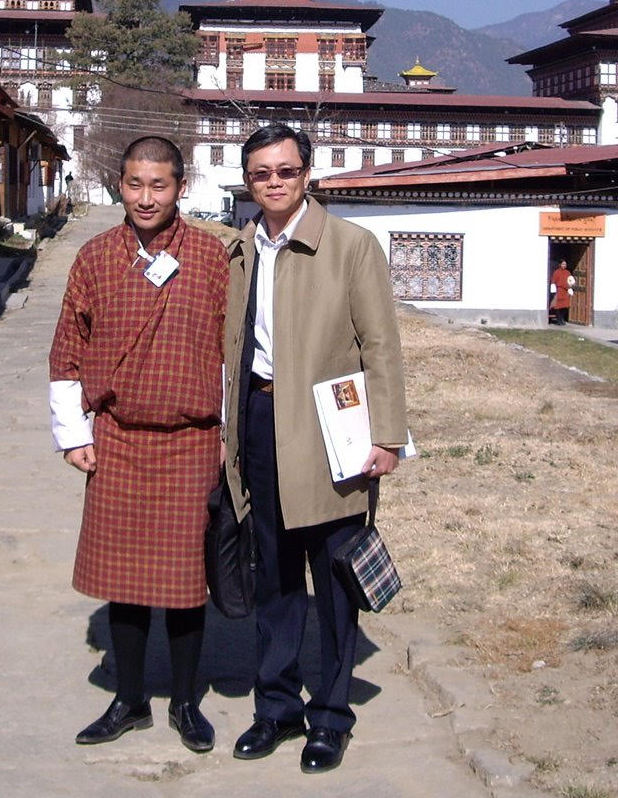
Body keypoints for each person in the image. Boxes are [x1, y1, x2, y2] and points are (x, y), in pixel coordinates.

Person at [221, 123, 409, 774]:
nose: (274, 183)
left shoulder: (351, 246)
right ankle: (275, 708)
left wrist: (387, 435)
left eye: (285, 171)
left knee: (334, 582)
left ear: (308, 175)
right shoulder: (240, 250)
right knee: (271, 576)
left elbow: (381, 344)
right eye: (261, 174)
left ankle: (329, 717)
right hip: (260, 419)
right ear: (248, 182)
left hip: (333, 432)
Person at [48, 136, 227, 753]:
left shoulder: (209, 256)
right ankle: (128, 699)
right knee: (122, 582)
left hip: (191, 439)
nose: (146, 197)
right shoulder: (95, 257)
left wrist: (227, 430)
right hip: (117, 438)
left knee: (182, 582)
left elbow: (230, 349)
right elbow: (68, 348)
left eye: (159, 185)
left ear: (181, 187)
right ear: (117, 185)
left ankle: (184, 701)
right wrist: (73, 435)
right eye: (134, 184)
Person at [550, 259, 574, 325]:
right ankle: (558, 320)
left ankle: (562, 318)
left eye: (565, 264)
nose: (564, 265)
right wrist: (553, 291)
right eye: (563, 264)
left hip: (566, 291)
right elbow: (553, 281)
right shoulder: (556, 272)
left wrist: (570, 288)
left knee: (565, 306)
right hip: (559, 290)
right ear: (559, 264)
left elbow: (570, 281)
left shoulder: (568, 272)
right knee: (558, 306)